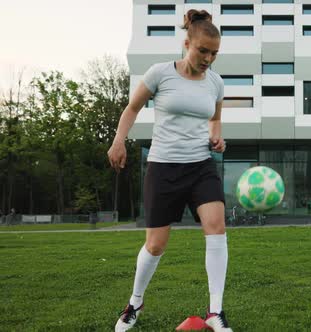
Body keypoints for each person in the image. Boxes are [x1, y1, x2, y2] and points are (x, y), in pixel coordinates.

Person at [108, 9, 232, 332]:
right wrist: (119, 140)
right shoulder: (160, 74)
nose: (208, 58)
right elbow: (132, 108)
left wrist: (216, 135)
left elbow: (214, 119)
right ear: (187, 42)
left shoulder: (216, 83)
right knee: (156, 244)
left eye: (214, 53)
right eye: (202, 50)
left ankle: (215, 312)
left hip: (200, 166)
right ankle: (134, 302)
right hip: (163, 167)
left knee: (216, 227)